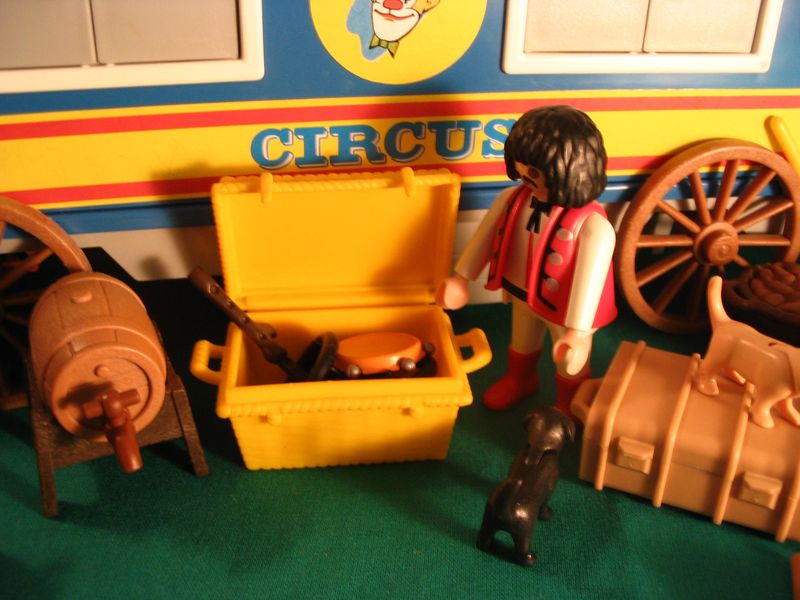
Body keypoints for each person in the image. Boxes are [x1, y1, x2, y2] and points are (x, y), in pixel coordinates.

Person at [436, 105, 616, 416]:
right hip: (522, 294)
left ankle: (568, 404)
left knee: (570, 359)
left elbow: (591, 279)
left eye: (534, 173)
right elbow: (484, 238)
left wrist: (577, 329)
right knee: (522, 341)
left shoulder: (593, 226)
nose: (525, 178)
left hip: (567, 311)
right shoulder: (512, 199)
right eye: (521, 169)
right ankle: (520, 379)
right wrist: (462, 278)